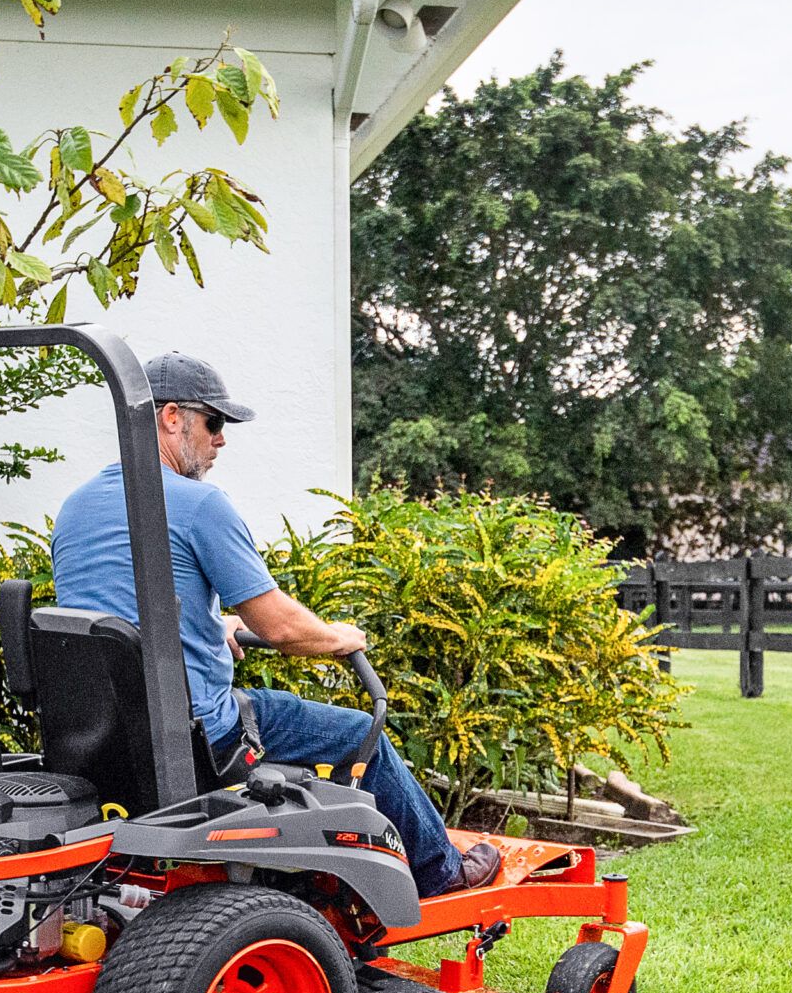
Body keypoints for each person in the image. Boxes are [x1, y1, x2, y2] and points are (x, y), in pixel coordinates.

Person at [50, 351, 503, 900]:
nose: (221, 440)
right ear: (171, 417)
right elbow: (282, 627)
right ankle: (440, 871)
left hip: (109, 742)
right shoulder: (198, 505)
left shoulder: (76, 507)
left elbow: (119, 612)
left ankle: (327, 887)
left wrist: (204, 623)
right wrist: (341, 635)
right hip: (198, 736)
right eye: (214, 422)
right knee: (359, 733)